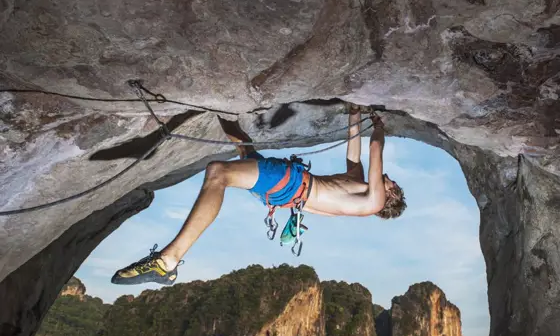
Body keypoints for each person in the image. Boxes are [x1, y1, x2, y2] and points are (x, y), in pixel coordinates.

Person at [111, 106, 406, 286]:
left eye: (392, 183)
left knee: (219, 173)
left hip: (291, 184)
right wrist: (356, 110)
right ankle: (220, 109)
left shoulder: (374, 202)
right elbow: (354, 141)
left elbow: (375, 149)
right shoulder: (356, 182)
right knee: (244, 149)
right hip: (287, 190)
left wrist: (379, 126)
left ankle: (167, 262)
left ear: (389, 196)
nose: (388, 178)